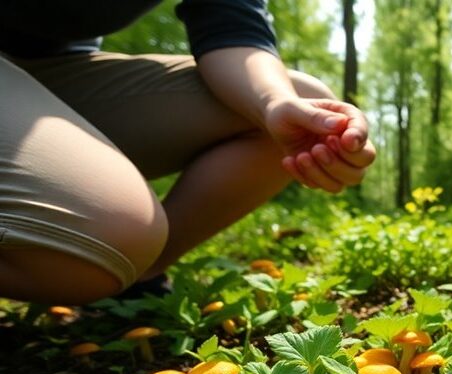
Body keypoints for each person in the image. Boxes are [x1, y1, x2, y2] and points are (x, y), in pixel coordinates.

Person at [0, 0, 377, 305]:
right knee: (112, 229)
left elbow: (232, 26)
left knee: (301, 101)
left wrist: (273, 104)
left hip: (53, 71)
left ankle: (137, 280)